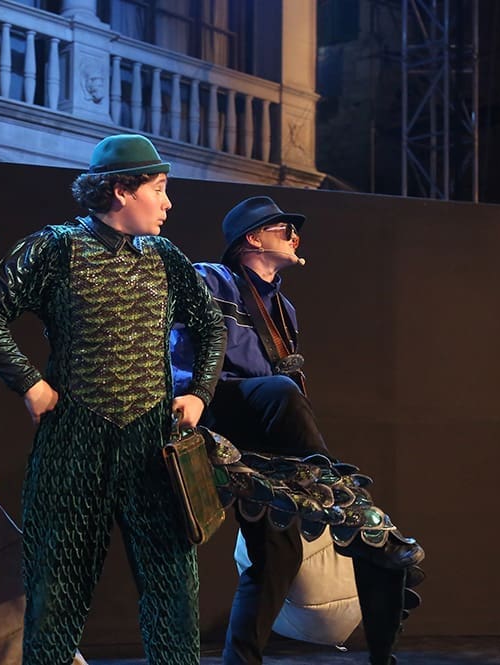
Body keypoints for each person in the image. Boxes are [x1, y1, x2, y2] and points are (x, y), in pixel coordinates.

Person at [0, 134, 226, 665]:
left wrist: (199, 393)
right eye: (159, 188)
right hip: (73, 443)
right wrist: (29, 383)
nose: (168, 202)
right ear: (123, 190)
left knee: (173, 589)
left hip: (153, 446)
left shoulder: (165, 257)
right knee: (57, 589)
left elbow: (211, 326)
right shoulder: (56, 248)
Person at [170, 196, 424, 665]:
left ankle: (250, 659)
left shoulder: (284, 309)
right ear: (252, 238)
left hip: (263, 435)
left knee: (277, 557)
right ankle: (352, 512)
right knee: (282, 391)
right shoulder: (210, 278)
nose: (295, 238)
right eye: (284, 230)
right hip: (214, 410)